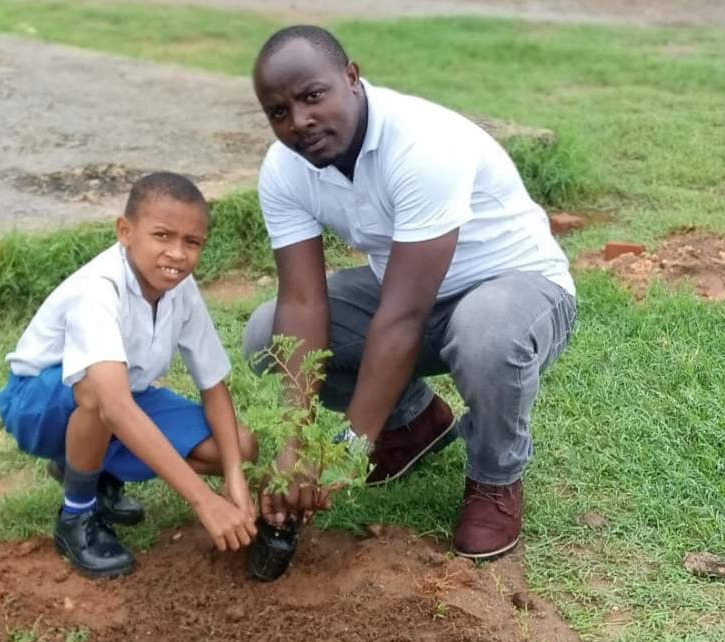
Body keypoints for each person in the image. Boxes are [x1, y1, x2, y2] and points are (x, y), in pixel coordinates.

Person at [243, 26, 577, 559]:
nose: (299, 121)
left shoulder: (422, 144)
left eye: (312, 96)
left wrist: (349, 448)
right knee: (268, 334)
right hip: (410, 293)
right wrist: (294, 445)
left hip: (517, 288)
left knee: (485, 333)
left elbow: (401, 317)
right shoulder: (285, 170)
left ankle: (495, 478)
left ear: (351, 77)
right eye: (278, 111)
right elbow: (302, 304)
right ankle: (413, 424)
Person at [0, 172, 258, 579]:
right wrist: (204, 501)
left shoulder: (181, 289)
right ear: (125, 231)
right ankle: (76, 516)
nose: (177, 254)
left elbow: (213, 385)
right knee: (97, 395)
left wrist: (235, 478)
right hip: (40, 403)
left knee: (238, 447)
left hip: (122, 401)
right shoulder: (98, 290)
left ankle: (91, 470)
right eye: (162, 236)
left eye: (192, 243)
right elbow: (113, 406)